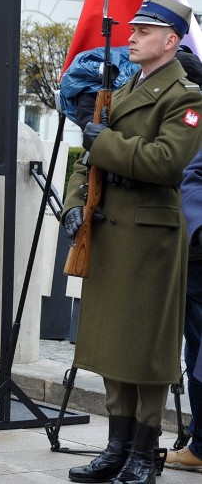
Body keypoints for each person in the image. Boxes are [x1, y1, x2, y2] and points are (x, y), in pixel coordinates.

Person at [62, 0, 202, 484]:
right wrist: (76, 201)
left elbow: (168, 163)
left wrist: (107, 143)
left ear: (171, 40)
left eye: (144, 31)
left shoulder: (186, 96)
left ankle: (146, 450)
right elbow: (85, 159)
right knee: (110, 345)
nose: (133, 36)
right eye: (134, 29)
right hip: (108, 231)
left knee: (145, 349)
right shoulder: (122, 89)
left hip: (150, 239)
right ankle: (116, 447)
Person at [167, 47, 202, 472]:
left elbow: (191, 178)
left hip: (195, 255)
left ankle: (199, 448)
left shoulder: (191, 120)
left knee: (198, 351)